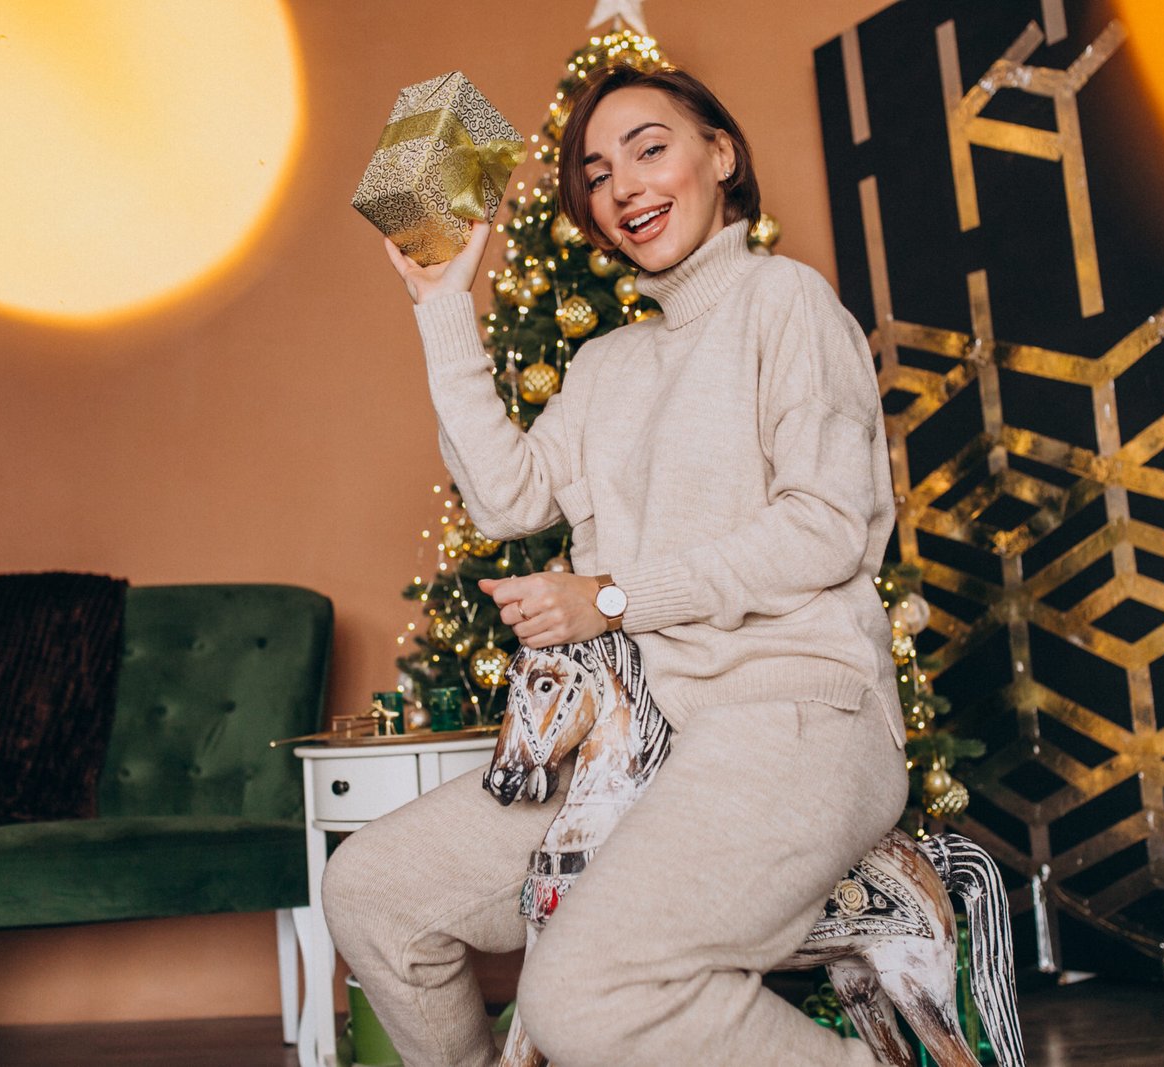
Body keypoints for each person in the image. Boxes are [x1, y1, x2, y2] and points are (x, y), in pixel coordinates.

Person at [323, 64, 907, 1067]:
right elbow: (508, 499)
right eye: (596, 174)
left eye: (649, 148)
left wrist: (613, 596)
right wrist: (443, 305)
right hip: (639, 742)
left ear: (720, 154)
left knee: (583, 994)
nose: (623, 185)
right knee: (371, 889)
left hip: (797, 716)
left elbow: (822, 529)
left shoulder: (786, 302)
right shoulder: (607, 365)